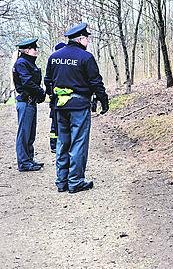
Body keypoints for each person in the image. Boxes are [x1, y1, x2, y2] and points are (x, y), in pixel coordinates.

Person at [44, 23, 109, 193]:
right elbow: (96, 82)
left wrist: (54, 98)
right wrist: (103, 100)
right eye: (87, 38)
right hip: (79, 106)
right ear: (80, 39)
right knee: (79, 142)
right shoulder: (85, 57)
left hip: (60, 106)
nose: (88, 41)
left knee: (62, 142)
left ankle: (62, 181)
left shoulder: (54, 57)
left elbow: (48, 81)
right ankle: (75, 181)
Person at [12, 38, 47, 172]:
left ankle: (29, 159)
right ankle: (24, 163)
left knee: (30, 133)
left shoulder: (27, 62)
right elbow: (27, 82)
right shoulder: (22, 63)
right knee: (24, 133)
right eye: (34, 48)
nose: (36, 50)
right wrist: (41, 92)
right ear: (26, 50)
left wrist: (38, 94)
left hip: (30, 102)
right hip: (25, 102)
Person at [48, 42, 66, 153]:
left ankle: (58, 144)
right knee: (55, 124)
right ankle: (54, 144)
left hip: (58, 100)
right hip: (56, 99)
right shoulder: (54, 63)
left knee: (58, 123)